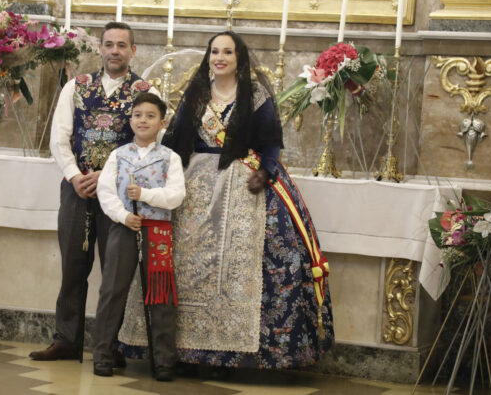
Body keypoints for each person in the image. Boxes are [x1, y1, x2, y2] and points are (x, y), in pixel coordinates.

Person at [118, 31, 334, 371]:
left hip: (243, 179)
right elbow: (177, 140)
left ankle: (247, 350)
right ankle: (176, 349)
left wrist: (266, 172)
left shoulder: (255, 94)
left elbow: (272, 142)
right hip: (193, 181)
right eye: (215, 51)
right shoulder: (198, 93)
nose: (220, 58)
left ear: (239, 59)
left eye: (227, 52)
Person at [29, 22, 156, 362]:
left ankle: (108, 346)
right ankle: (67, 341)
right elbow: (59, 137)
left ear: (133, 50)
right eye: (109, 44)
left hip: (118, 195)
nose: (115, 50)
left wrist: (107, 177)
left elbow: (148, 146)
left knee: (114, 273)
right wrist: (73, 176)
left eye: (122, 45)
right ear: (100, 48)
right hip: (77, 190)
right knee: (73, 265)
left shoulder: (146, 92)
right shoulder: (77, 86)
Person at [93, 92, 185, 381]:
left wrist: (144, 195)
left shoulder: (170, 158)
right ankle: (103, 355)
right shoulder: (118, 156)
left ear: (162, 123)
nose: (143, 120)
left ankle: (163, 362)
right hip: (125, 228)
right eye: (137, 115)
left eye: (150, 116)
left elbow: (176, 196)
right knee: (112, 291)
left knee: (160, 296)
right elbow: (105, 192)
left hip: (157, 231)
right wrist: (123, 216)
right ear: (130, 120)